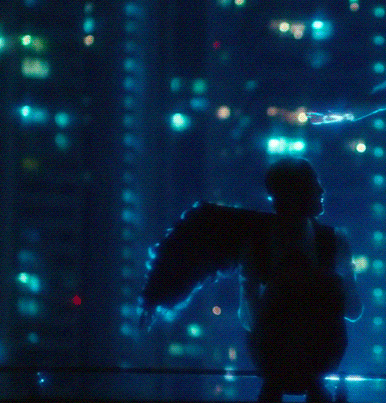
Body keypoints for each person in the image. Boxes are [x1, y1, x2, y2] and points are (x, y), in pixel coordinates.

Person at [140, 157, 361, 403]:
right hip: (283, 360)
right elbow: (253, 318)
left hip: (303, 361)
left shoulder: (327, 241)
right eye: (312, 184)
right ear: (291, 195)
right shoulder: (270, 244)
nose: (321, 191)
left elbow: (351, 310)